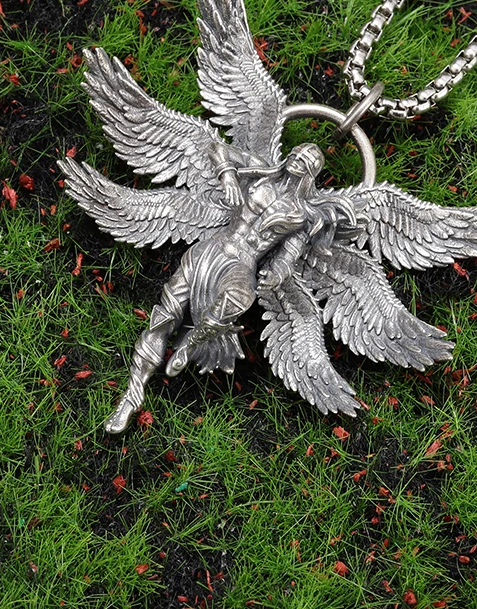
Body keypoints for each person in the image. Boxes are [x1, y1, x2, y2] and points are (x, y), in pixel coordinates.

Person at [105, 141, 355, 432]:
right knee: (165, 316)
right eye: (296, 154)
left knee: (240, 298)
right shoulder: (261, 172)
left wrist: (276, 274)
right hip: (213, 248)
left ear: (311, 173)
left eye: (304, 161)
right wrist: (227, 174)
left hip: (242, 263)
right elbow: (217, 148)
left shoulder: (302, 215)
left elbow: (288, 256)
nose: (296, 160)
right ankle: (131, 396)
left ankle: (193, 342)